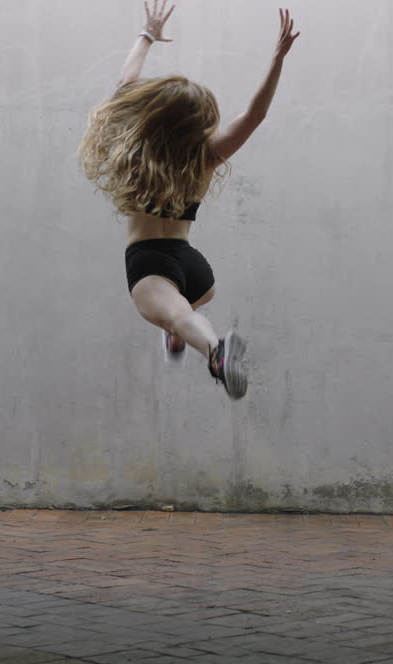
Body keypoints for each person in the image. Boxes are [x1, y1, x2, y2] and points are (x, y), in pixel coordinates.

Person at [80, 1, 300, 399]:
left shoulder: (135, 154)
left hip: (149, 262)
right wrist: (277, 60)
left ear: (152, 116)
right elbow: (254, 116)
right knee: (182, 309)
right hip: (194, 269)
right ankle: (176, 332)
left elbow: (124, 85)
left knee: (179, 314)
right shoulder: (207, 157)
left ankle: (215, 352)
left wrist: (147, 34)